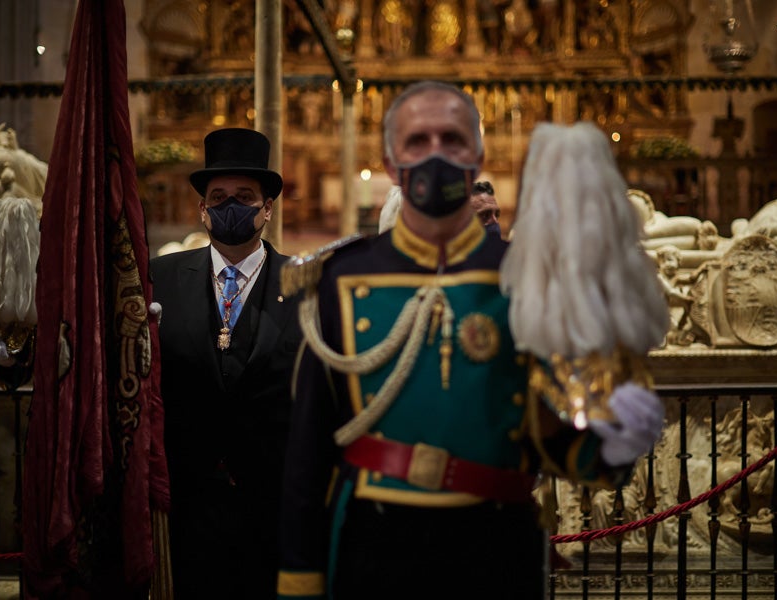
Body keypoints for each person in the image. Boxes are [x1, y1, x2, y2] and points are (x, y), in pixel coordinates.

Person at [276, 81, 665, 600]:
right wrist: (300, 582)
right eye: (417, 140)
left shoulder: (525, 278)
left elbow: (552, 431)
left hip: (496, 547)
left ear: (478, 157)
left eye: (452, 139)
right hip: (374, 547)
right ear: (391, 163)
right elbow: (308, 451)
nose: (435, 153)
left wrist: (613, 438)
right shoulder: (342, 278)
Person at [149, 128, 303, 599]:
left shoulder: (306, 284)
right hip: (190, 501)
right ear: (203, 208)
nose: (229, 206)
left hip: (273, 503)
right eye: (218, 198)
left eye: (244, 197)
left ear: (267, 208)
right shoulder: (160, 277)